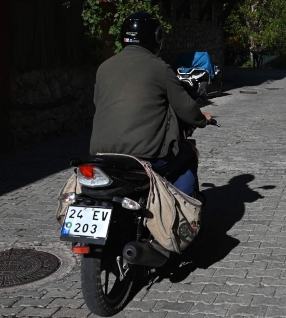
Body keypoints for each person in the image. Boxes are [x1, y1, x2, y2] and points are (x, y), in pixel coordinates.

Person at [89, 12, 211, 195]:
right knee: (188, 156)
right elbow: (185, 108)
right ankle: (184, 216)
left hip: (102, 154)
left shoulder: (104, 67)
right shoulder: (160, 68)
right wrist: (202, 119)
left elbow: (98, 103)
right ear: (156, 37)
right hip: (146, 154)